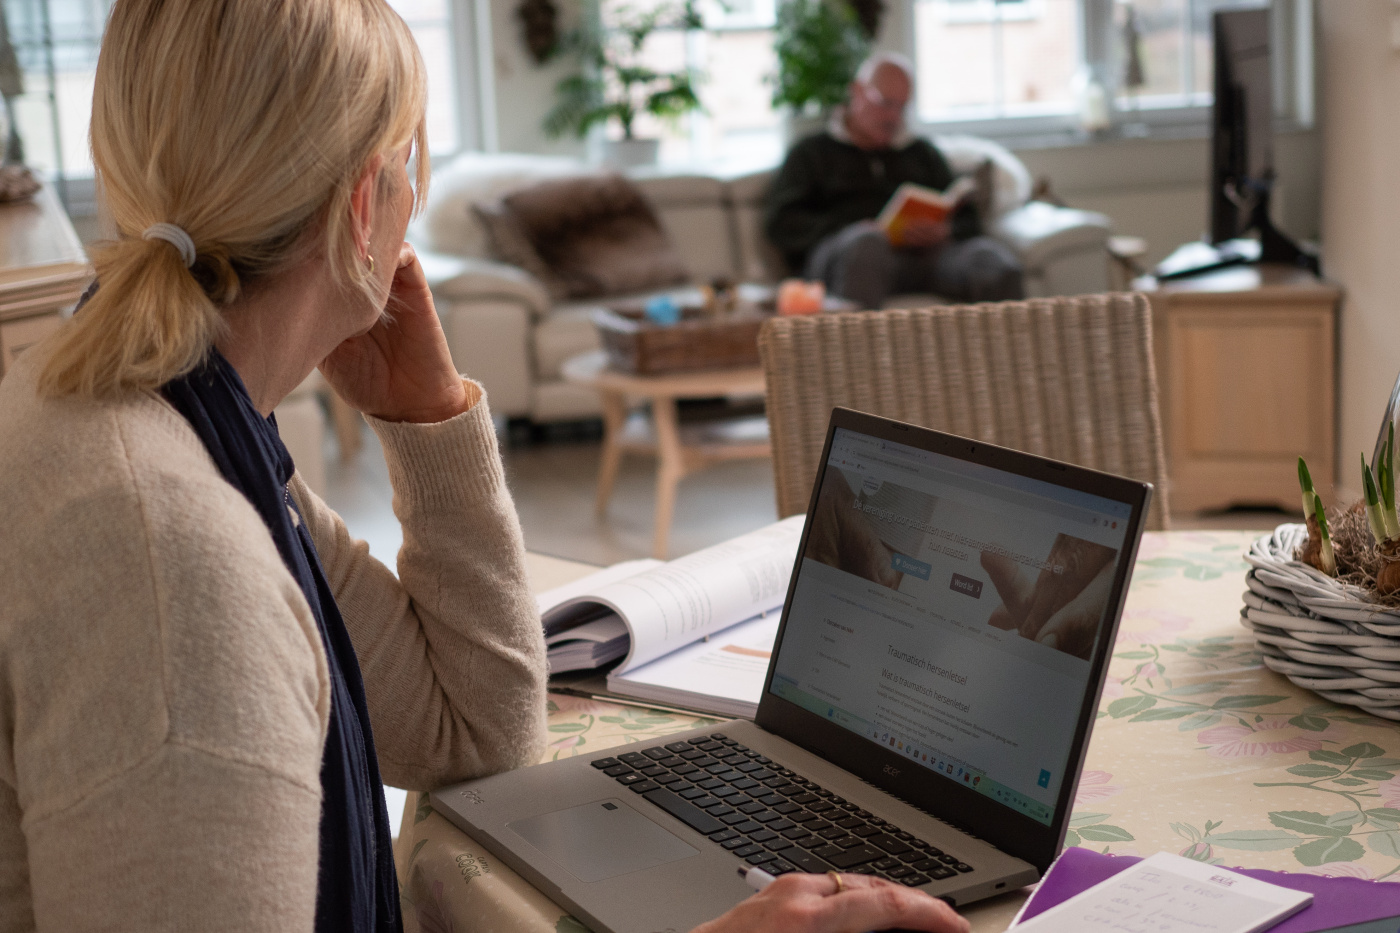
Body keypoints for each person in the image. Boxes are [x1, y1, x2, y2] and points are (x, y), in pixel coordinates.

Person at [0, 2, 969, 932]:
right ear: (367, 200)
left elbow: (470, 728)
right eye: (411, 162)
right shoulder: (173, 550)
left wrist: (429, 417)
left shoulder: (165, 419)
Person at [764, 53, 1025, 309]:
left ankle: (1011, 351)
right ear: (857, 91)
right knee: (867, 244)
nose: (893, 117)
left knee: (991, 262)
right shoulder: (811, 152)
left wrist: (947, 231)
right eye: (885, 103)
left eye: (901, 107)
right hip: (846, 259)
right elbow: (782, 224)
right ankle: (855, 352)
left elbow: (970, 220)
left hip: (921, 258)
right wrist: (857, 227)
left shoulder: (922, 153)